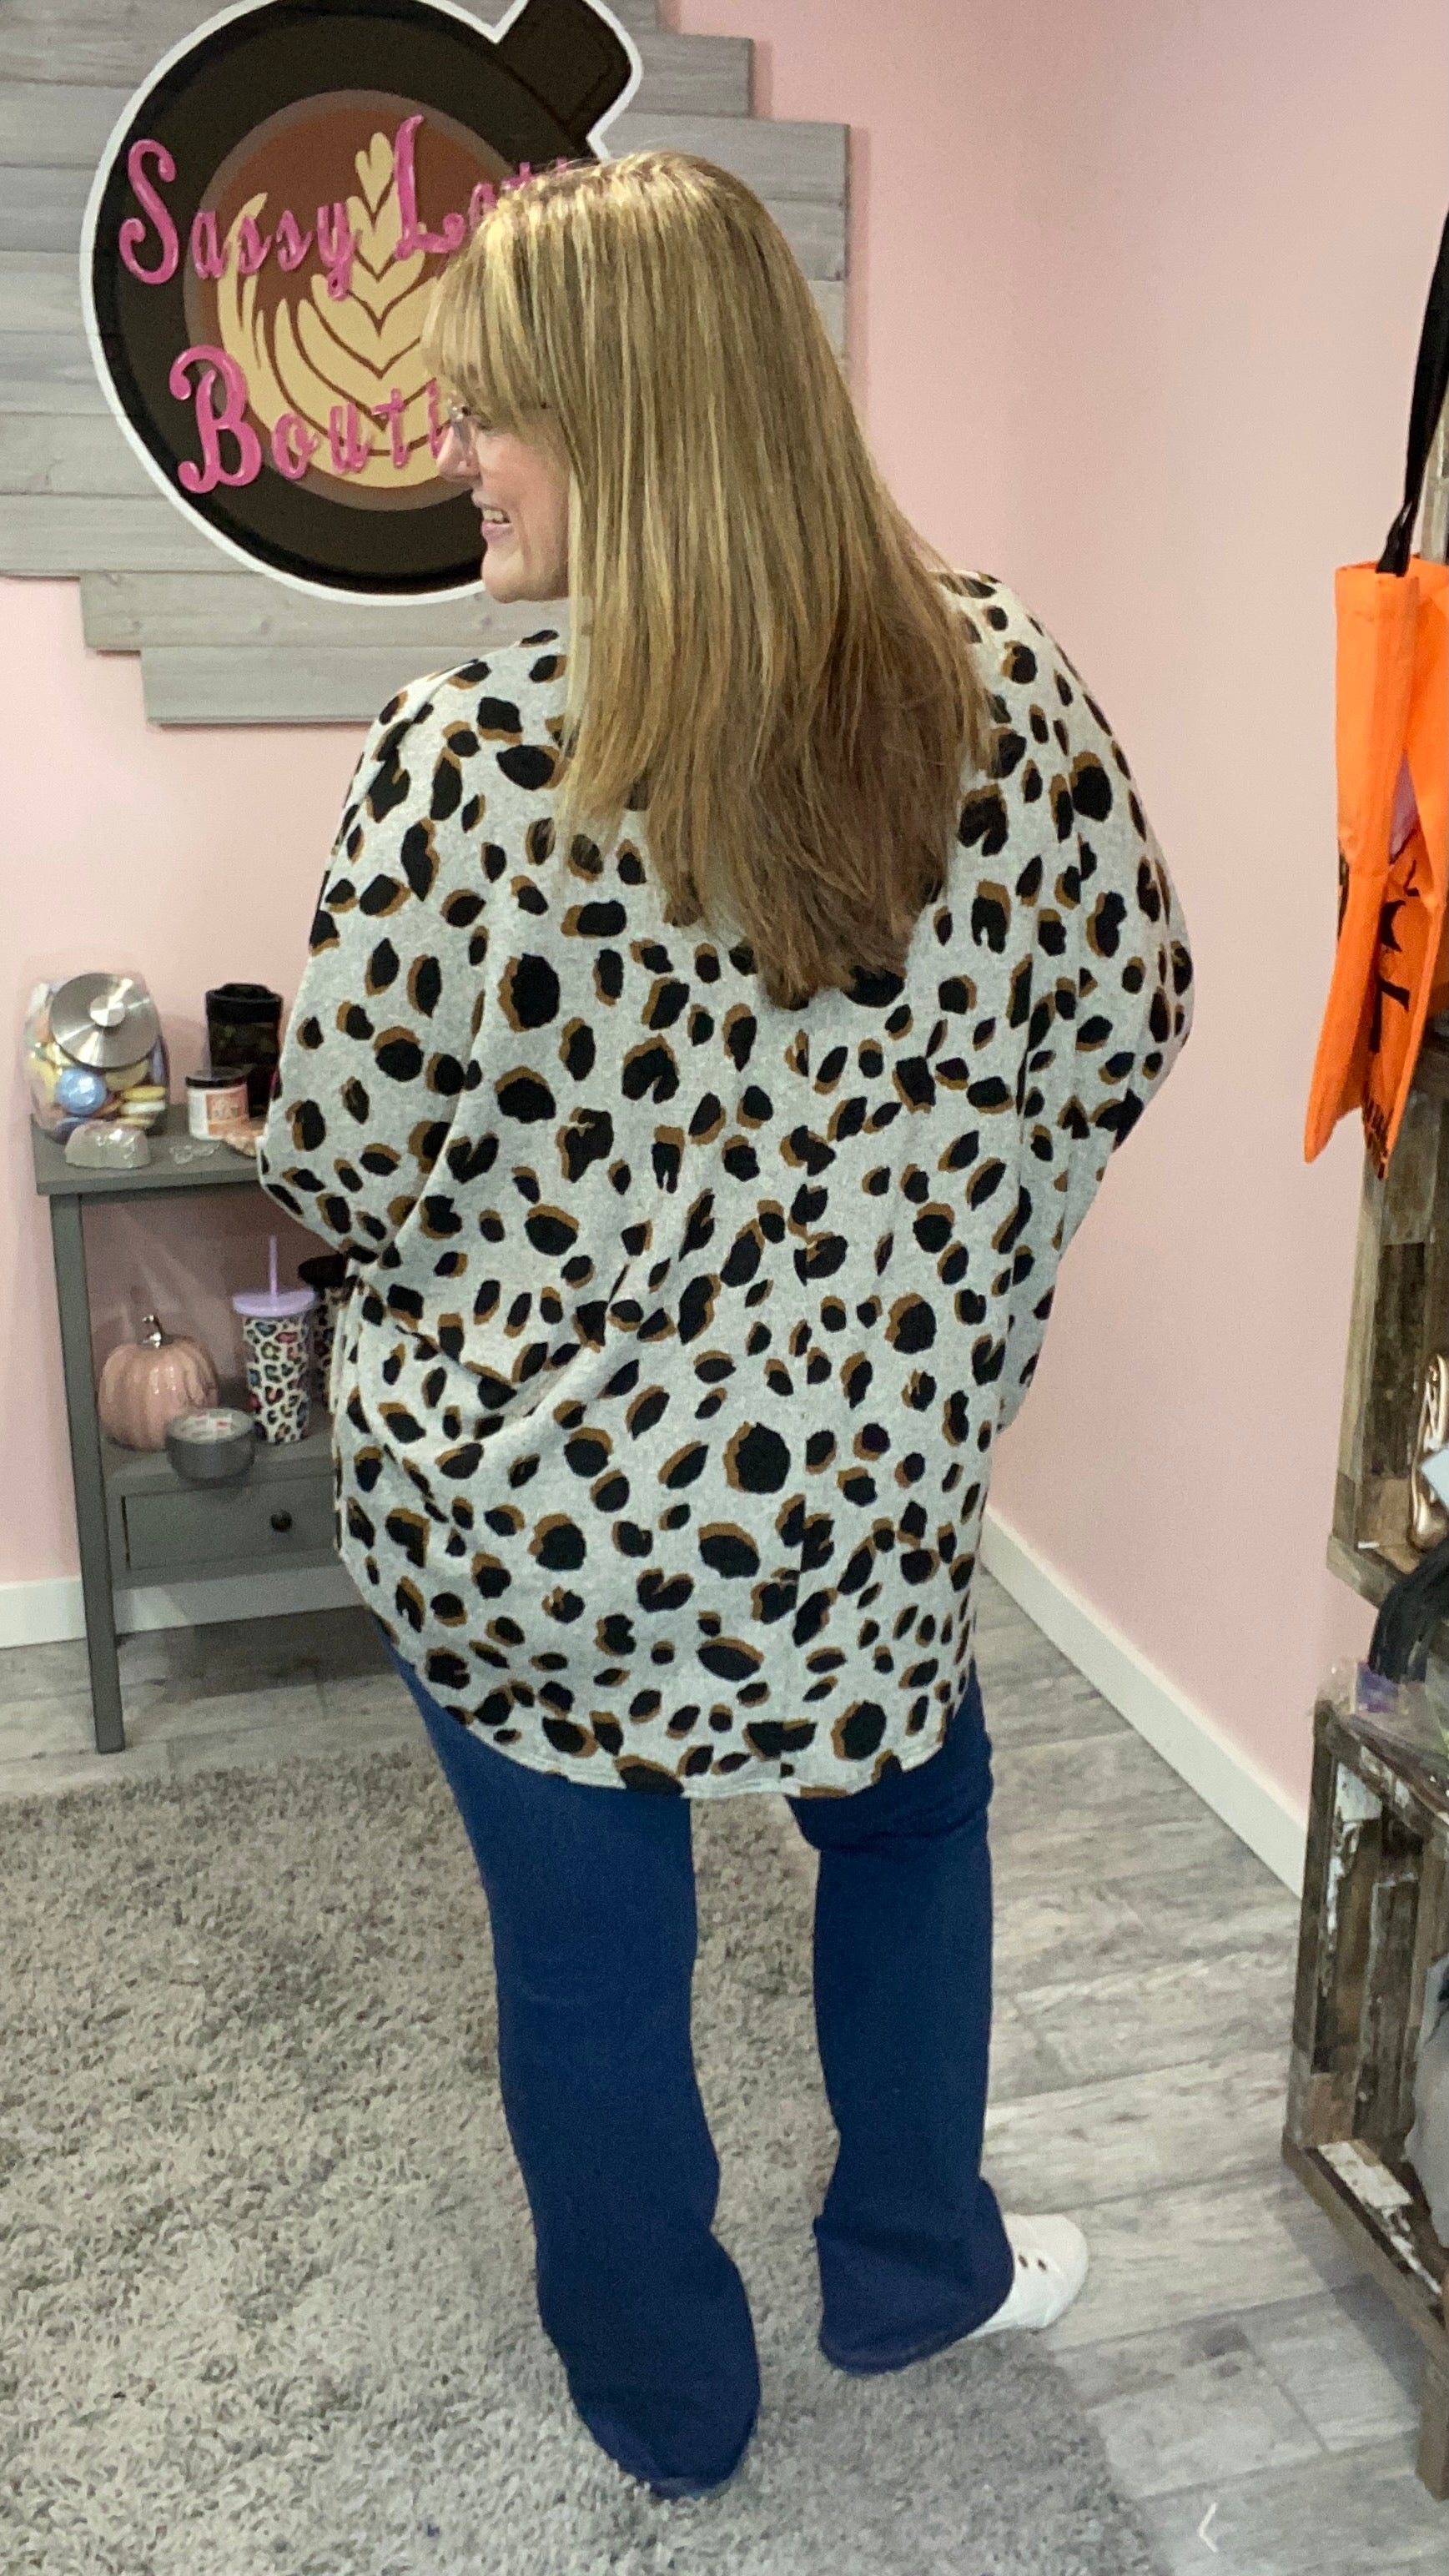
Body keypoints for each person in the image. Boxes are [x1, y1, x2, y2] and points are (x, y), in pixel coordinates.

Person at [258, 149, 1192, 2503]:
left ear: (635, 420)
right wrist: (934, 1300)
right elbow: (1124, 1026)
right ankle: (913, 2270)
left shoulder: (459, 761)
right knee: (911, 1824)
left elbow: (337, 1170)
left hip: (523, 1524)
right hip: (856, 1501)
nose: (451, 453)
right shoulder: (1004, 690)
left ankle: (670, 2410)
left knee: (592, 1961)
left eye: (492, 409)